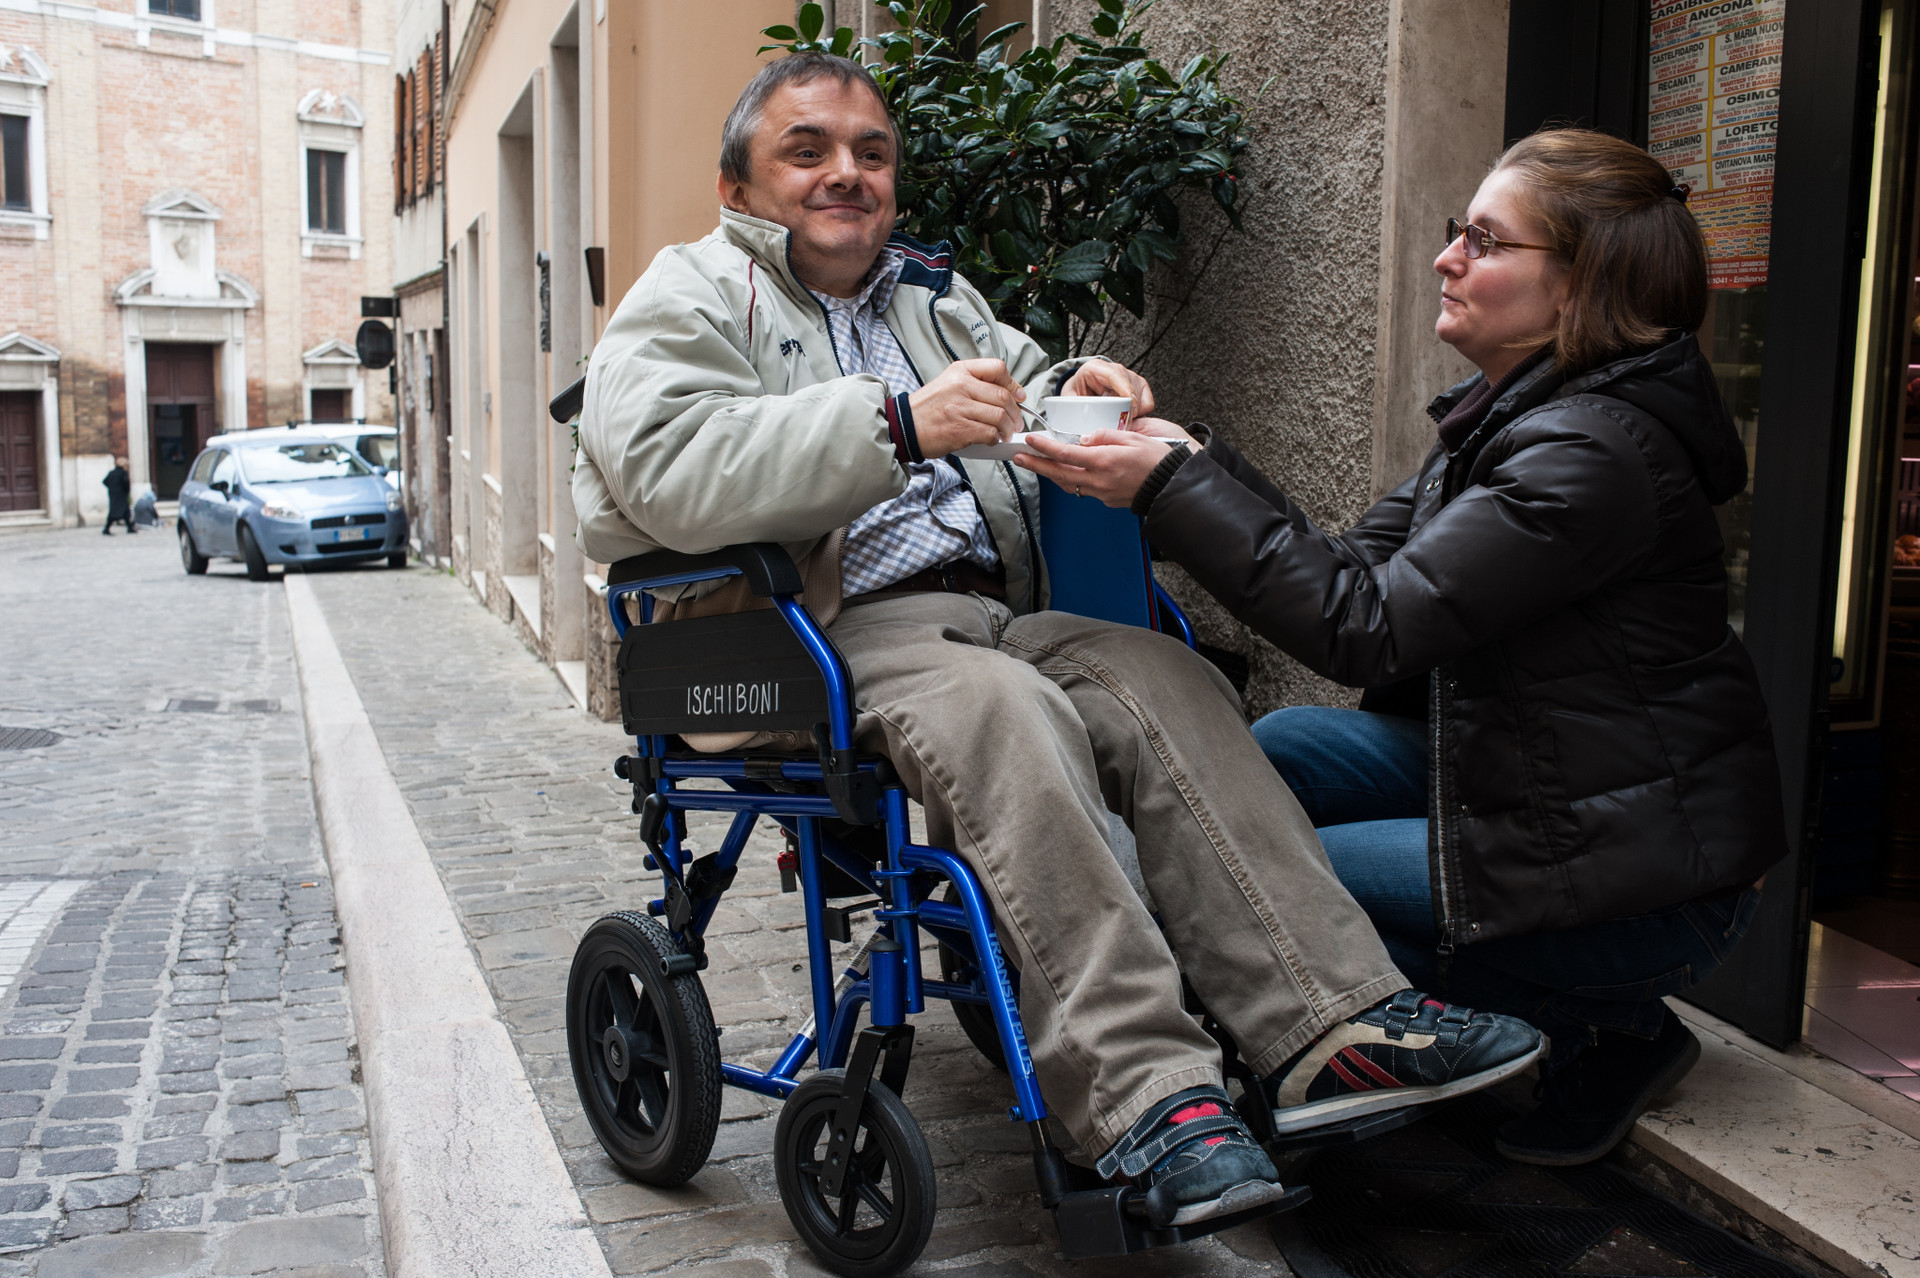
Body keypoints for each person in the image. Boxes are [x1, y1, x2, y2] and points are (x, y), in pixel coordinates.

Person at [573, 52, 1541, 1224]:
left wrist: (1092, 389)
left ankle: (1332, 1026)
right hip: (808, 630)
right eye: (808, 150)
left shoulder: (934, 300)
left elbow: (1029, 395)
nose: (848, 174)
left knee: (1165, 679)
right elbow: (667, 474)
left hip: (991, 611)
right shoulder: (686, 294)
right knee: (1008, 711)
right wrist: (892, 424)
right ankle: (1150, 1101)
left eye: (871, 155)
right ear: (737, 185)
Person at [1018, 128, 1788, 1167]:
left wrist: (1167, 487)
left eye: (1483, 238)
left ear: (1577, 286)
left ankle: (1614, 1029)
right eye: (1452, 231)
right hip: (1557, 795)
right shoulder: (1516, 414)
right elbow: (1344, 566)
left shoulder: (1592, 453)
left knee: (1284, 882)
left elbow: (1363, 626)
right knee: (1281, 749)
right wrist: (1184, 457)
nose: (1447, 257)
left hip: (1648, 877)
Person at [102, 457, 134, 535]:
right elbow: (126, 483)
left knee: (114, 511)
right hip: (121, 495)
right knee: (125, 511)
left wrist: (112, 487)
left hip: (113, 494)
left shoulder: (112, 473)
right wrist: (126, 491)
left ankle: (107, 528)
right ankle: (129, 527)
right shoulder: (123, 473)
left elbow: (105, 481)